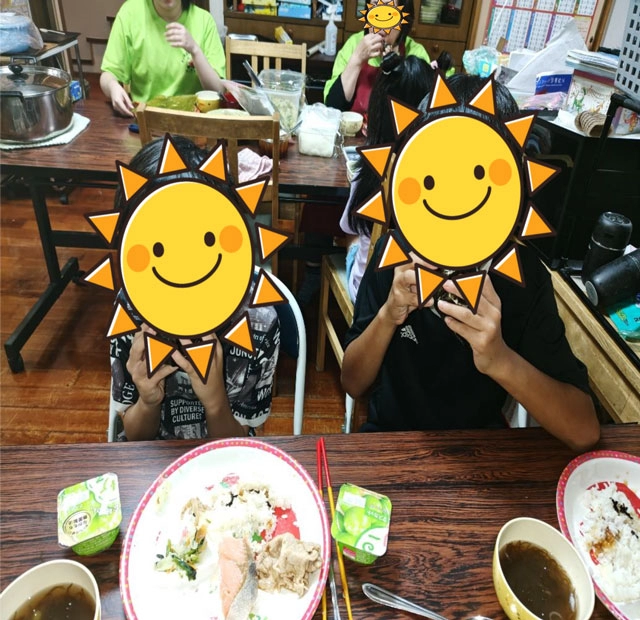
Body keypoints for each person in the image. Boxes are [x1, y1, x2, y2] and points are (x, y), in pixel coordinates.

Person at [341, 74, 601, 452]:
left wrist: (499, 359)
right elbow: (352, 382)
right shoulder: (394, 256)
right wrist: (388, 316)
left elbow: (584, 430)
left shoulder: (522, 275)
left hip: (479, 454)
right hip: (391, 442)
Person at [109, 136, 280, 441]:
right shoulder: (131, 309)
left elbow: (236, 447)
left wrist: (215, 403)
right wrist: (148, 401)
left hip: (225, 458)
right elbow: (133, 439)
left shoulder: (258, 320)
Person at [340, 53, 450, 302]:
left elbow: (349, 226)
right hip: (419, 294)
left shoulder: (371, 168)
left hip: (367, 295)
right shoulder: (444, 174)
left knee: (353, 235)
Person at [100, 0, 226, 117]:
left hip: (191, 121)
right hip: (145, 119)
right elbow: (108, 74)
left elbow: (218, 90)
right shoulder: (130, 13)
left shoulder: (204, 20)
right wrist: (112, 86)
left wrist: (195, 50)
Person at [324, 0, 430, 114]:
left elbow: (423, 113)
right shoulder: (353, 44)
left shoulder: (416, 53)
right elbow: (332, 107)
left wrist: (396, 69)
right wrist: (357, 60)